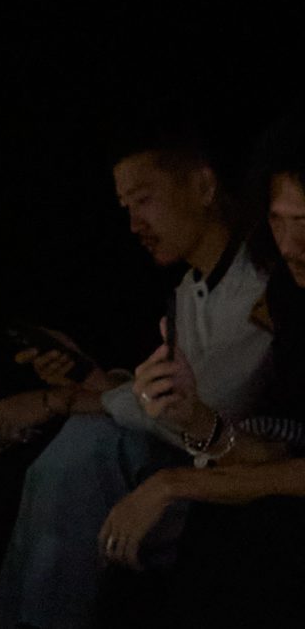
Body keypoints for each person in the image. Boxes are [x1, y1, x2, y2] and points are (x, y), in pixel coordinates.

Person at [95, 120, 305, 622]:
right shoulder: (286, 296)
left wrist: (175, 483)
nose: (290, 244)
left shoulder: (258, 284)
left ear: (204, 187)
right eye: (278, 222)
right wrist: (190, 415)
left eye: (303, 221)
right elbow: (276, 452)